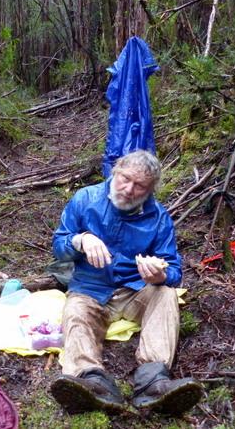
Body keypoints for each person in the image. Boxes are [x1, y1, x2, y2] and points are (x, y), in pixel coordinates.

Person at [49, 150, 201, 415]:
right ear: (115, 171)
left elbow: (174, 270)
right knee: (75, 311)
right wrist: (80, 240)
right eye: (125, 179)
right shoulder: (85, 199)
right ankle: (91, 381)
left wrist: (160, 274)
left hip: (136, 289)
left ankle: (153, 381)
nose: (129, 190)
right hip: (90, 288)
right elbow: (59, 247)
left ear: (151, 189)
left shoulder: (158, 218)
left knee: (165, 294)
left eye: (139, 185)